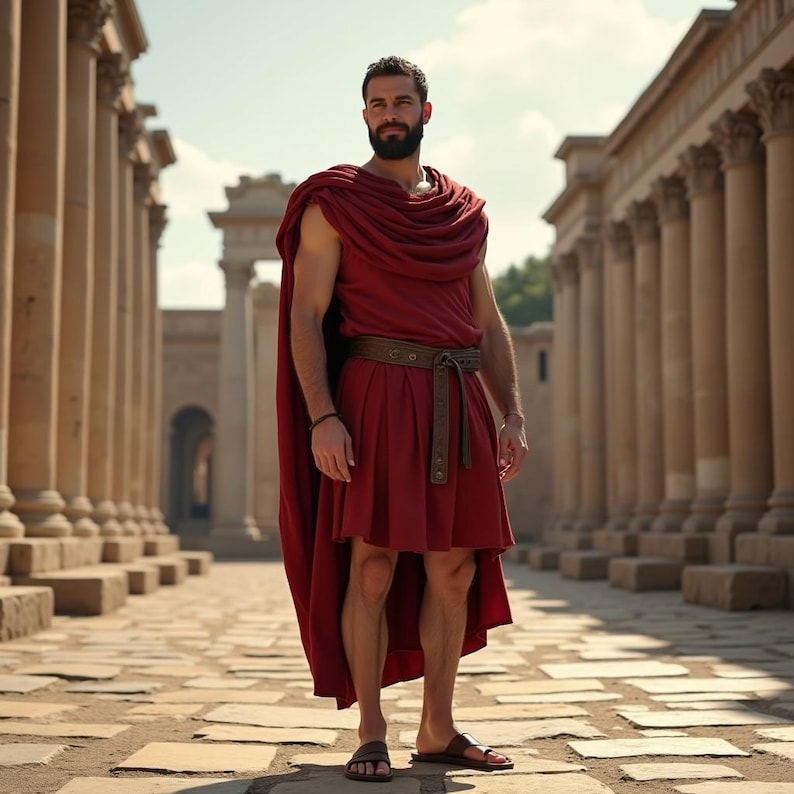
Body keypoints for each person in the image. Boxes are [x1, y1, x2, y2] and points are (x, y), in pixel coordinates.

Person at [275, 55, 528, 784]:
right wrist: (323, 414)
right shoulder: (334, 203)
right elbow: (306, 312)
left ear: (426, 111)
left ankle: (438, 728)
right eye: (377, 103)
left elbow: (485, 320)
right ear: (364, 116)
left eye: (402, 101)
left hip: (455, 395)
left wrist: (511, 410)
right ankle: (371, 730)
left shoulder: (460, 210)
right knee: (375, 563)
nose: (390, 113)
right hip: (375, 393)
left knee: (453, 571)